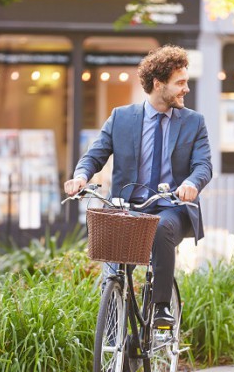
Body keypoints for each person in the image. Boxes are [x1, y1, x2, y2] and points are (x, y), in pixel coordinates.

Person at [64, 44, 212, 328]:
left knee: (160, 226)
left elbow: (203, 165)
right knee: (114, 274)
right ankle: (115, 331)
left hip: (172, 208)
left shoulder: (194, 122)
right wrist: (81, 176)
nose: (186, 89)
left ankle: (160, 307)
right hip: (126, 206)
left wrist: (192, 183)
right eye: (180, 83)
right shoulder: (122, 117)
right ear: (158, 84)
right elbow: (95, 155)